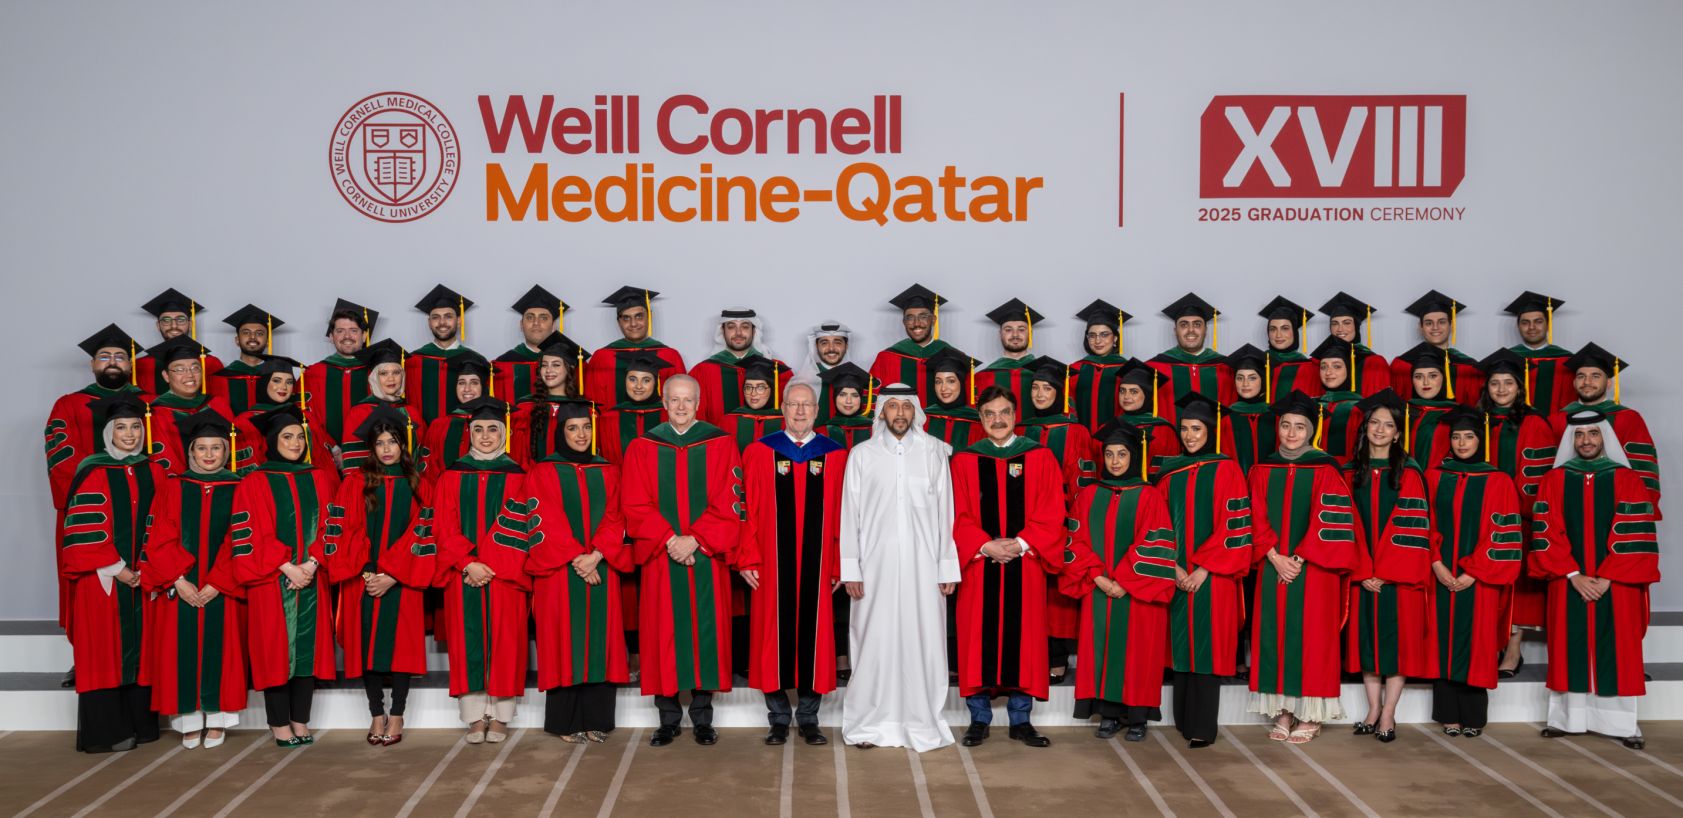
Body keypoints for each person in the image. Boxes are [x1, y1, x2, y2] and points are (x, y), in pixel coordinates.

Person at [621, 375, 743, 747]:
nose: (681, 406)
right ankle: (668, 718)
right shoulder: (643, 446)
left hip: (705, 557)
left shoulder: (721, 443)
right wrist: (671, 540)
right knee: (663, 634)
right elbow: (634, 502)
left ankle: (703, 718)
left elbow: (731, 500)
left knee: (706, 634)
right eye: (674, 400)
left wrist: (697, 540)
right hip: (662, 556)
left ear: (699, 401)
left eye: (687, 400)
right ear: (664, 403)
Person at [839, 383, 960, 752]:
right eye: (892, 406)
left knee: (924, 641)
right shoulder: (861, 455)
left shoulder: (936, 452)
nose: (900, 414)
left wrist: (947, 567)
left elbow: (946, 514)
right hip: (874, 566)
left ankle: (920, 721)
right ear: (881, 412)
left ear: (916, 411)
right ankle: (869, 723)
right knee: (873, 641)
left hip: (925, 568)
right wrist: (851, 568)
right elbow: (850, 515)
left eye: (906, 406)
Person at [1532, 410, 1659, 749]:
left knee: (1617, 648)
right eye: (1579, 435)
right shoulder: (1555, 479)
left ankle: (1621, 724)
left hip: (1616, 583)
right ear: (1571, 440)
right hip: (1568, 579)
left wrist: (1607, 576)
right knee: (1568, 645)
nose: (1586, 440)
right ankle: (1566, 720)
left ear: (1604, 437)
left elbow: (1636, 533)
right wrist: (1574, 574)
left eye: (1593, 433)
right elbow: (1547, 531)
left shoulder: (1627, 479)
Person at [952, 386, 1066, 748]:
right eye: (989, 414)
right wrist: (985, 545)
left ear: (1016, 416)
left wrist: (1019, 544)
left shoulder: (1040, 457)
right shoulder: (965, 460)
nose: (997, 420)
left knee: (1026, 639)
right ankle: (978, 719)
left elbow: (1052, 511)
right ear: (981, 418)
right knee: (976, 638)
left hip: (1026, 562)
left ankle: (1021, 720)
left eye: (1004, 413)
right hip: (980, 565)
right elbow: (956, 514)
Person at [1247, 390, 1361, 744]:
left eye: (1300, 426)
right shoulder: (1262, 468)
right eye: (1286, 425)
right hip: (1273, 566)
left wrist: (1299, 557)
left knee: (1312, 637)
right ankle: (1283, 710)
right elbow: (1254, 515)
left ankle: (1311, 713)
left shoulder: (1326, 467)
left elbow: (1333, 517)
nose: (1292, 433)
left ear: (1311, 430)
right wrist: (1273, 556)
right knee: (1276, 634)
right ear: (1277, 428)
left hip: (1314, 569)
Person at [739, 382, 848, 746]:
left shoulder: (835, 455)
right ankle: (778, 718)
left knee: (815, 639)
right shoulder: (759, 452)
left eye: (807, 406)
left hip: (818, 567)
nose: (800, 412)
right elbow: (746, 512)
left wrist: (837, 563)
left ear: (817, 411)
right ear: (782, 408)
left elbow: (843, 518)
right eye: (793, 405)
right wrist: (747, 557)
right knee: (772, 639)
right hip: (770, 566)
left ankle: (809, 718)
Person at [58, 393, 165, 752]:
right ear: (108, 432)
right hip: (102, 580)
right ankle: (107, 732)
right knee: (104, 650)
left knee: (142, 649)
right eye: (121, 427)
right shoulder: (92, 468)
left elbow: (165, 523)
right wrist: (119, 569)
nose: (131, 434)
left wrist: (148, 566)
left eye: (136, 426)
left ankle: (143, 726)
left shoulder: (154, 468)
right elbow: (83, 528)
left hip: (144, 578)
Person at [229, 403, 340, 748]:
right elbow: (251, 531)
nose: (294, 443)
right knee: (274, 651)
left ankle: (299, 719)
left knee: (308, 652)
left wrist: (311, 564)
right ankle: (278, 723)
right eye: (287, 437)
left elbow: (331, 525)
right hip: (271, 580)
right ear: (272, 441)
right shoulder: (254, 481)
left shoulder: (318, 477)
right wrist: (287, 565)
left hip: (311, 578)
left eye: (298, 437)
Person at [524, 398, 633, 743]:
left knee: (601, 641)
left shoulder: (608, 469)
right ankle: (564, 722)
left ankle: (597, 719)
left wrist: (597, 554)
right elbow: (545, 520)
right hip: (560, 572)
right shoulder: (543, 471)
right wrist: (578, 559)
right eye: (573, 428)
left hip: (600, 567)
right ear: (561, 432)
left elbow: (617, 516)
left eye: (586, 427)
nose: (581, 434)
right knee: (562, 641)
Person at [325, 404, 434, 748]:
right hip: (364, 578)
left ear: (404, 446)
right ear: (371, 448)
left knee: (401, 650)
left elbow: (425, 532)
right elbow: (345, 531)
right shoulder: (355, 482)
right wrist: (367, 571)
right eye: (380, 442)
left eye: (393, 441)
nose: (387, 448)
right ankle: (375, 712)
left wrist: (394, 573)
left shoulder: (419, 484)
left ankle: (398, 712)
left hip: (402, 581)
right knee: (366, 649)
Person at [1061, 420, 1177, 741]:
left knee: (1139, 651)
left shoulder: (1149, 496)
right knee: (1103, 649)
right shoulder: (1088, 495)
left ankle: (1137, 716)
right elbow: (1075, 539)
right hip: (1099, 589)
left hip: (1137, 592)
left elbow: (1155, 541)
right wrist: (1098, 577)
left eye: (1122, 454)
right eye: (1110, 454)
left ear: (1134, 456)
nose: (1114, 461)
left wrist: (1123, 581)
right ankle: (1109, 713)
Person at [142, 410, 246, 750]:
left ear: (226, 451)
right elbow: (159, 537)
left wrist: (217, 582)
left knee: (222, 650)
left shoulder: (239, 487)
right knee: (179, 651)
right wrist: (179, 580)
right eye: (201, 448)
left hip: (222, 589)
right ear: (190, 452)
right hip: (181, 588)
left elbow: (242, 538)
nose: (209, 454)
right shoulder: (173, 487)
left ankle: (217, 720)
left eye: (216, 448)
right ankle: (187, 720)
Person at [432, 396, 533, 745]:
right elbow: (443, 526)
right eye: (479, 429)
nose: (486, 436)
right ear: (469, 433)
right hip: (465, 574)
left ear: (503, 433)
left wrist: (491, 566)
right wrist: (467, 563)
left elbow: (524, 528)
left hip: (506, 575)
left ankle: (502, 715)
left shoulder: (519, 476)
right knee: (467, 639)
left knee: (507, 640)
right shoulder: (451, 475)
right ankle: (474, 715)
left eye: (493, 429)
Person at [1154, 392, 1252, 748]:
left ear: (1210, 431)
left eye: (1196, 429)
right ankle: (1183, 719)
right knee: (1181, 647)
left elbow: (1235, 525)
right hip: (1176, 574)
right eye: (1184, 429)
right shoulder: (1169, 473)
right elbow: (1157, 523)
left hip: (1214, 578)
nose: (1190, 435)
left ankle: (1203, 727)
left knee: (1208, 648)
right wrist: (1175, 566)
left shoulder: (1227, 468)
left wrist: (1202, 569)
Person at [47, 324, 146, 668]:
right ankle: (85, 656)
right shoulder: (70, 404)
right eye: (105, 357)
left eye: (120, 356)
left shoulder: (147, 405)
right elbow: (60, 456)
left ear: (130, 364)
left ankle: (143, 659)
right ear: (92, 365)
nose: (113, 362)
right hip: (90, 511)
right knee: (86, 586)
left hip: (142, 507)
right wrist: (96, 486)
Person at [1426, 407, 1524, 737]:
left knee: (1476, 643)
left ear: (1480, 440)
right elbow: (1425, 524)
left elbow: (1503, 533)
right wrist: (1437, 563)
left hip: (1479, 580)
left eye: (1469, 436)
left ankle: (1473, 716)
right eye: (1456, 436)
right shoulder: (1435, 476)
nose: (1462, 442)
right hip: (1439, 575)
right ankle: (1447, 714)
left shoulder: (1498, 480)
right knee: (1442, 642)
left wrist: (1473, 571)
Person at [1343, 389, 1434, 743]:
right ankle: (1371, 708)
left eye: (1388, 425)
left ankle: (1389, 713)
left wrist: (1385, 572)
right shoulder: (1350, 472)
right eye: (1374, 423)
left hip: (1397, 579)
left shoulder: (1410, 473)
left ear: (1398, 433)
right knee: (1368, 644)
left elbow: (1414, 528)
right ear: (1365, 428)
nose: (1380, 430)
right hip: (1363, 577)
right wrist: (1363, 571)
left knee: (1397, 647)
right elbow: (1344, 525)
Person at [1016, 356, 1097, 685]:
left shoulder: (1075, 431)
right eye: (1034, 388)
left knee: (1055, 593)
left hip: (1062, 519)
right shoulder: (1021, 429)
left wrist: (1072, 521)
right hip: (1023, 523)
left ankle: (1057, 656)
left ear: (1059, 392)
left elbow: (1083, 478)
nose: (1039, 394)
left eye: (1046, 388)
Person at [1478, 348, 1558, 676]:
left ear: (1519, 387)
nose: (1500, 390)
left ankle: (1513, 649)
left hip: (1518, 518)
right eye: (1495, 383)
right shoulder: (1477, 421)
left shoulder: (1534, 423)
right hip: (1481, 517)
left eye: (1507, 383)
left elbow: (1540, 476)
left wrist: (1519, 510)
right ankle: (1487, 645)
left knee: (1516, 586)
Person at [1553, 343, 1659, 510]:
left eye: (1595, 376)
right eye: (1581, 376)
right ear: (1574, 383)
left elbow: (1643, 467)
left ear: (1608, 383)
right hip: (1568, 504)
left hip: (1617, 503)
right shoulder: (1557, 419)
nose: (1587, 382)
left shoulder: (1628, 418)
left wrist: (1639, 508)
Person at [145, 336, 235, 476]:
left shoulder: (218, 405)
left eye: (195, 368)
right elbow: (162, 458)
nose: (190, 375)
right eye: (180, 369)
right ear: (166, 376)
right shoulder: (155, 412)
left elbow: (231, 450)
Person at [584, 286, 687, 406]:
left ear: (649, 317)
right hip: (611, 424)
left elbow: (681, 401)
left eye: (639, 316)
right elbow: (593, 404)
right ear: (619, 322)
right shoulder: (602, 357)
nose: (633, 323)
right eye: (626, 318)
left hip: (661, 424)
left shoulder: (669, 356)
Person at [688, 308, 792, 426]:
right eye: (731, 327)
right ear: (722, 331)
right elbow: (696, 420)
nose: (738, 333)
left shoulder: (776, 369)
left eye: (745, 326)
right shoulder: (703, 371)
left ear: (754, 331)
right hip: (719, 443)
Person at [230, 355, 333, 475]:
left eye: (289, 382)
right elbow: (247, 470)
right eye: (276, 380)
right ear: (264, 383)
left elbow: (323, 462)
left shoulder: (305, 417)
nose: (283, 387)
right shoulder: (245, 422)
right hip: (268, 488)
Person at [340, 339, 425, 472]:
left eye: (396, 373)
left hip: (408, 484)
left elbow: (419, 456)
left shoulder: (412, 412)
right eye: (383, 373)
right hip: (373, 486)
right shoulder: (359, 412)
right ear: (374, 378)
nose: (391, 379)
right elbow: (354, 461)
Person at [1148, 292, 1234, 424]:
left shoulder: (1226, 367)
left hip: (1217, 442)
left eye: (1197, 324)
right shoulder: (1155, 368)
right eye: (1183, 325)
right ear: (1175, 330)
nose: (1190, 330)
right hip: (1170, 442)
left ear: (1206, 330)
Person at [303, 298, 376, 446]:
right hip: (325, 453)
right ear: (331, 337)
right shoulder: (313, 373)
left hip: (371, 454)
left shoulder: (378, 372)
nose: (347, 336)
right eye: (340, 331)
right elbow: (304, 416)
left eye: (353, 331)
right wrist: (331, 447)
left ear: (364, 336)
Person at [1392, 290, 1483, 407]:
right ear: (1420, 327)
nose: (1435, 327)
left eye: (1442, 322)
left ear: (1451, 325)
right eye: (1429, 323)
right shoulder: (1402, 364)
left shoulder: (1467, 367)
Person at [510, 332, 588, 466]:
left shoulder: (584, 408)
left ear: (570, 368)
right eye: (544, 365)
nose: (548, 370)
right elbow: (519, 454)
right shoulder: (525, 407)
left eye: (556, 365)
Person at [405, 283, 481, 423]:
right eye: (435, 317)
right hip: (422, 439)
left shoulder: (476, 360)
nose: (442, 322)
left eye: (448, 316)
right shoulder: (413, 361)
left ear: (459, 321)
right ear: (429, 322)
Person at [870, 283, 954, 405]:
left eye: (923, 317)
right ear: (904, 322)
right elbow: (872, 402)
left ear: (934, 320)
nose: (916, 323)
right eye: (910, 318)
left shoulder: (951, 357)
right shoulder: (886, 358)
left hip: (940, 424)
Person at [133, 288, 224, 399]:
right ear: (158, 325)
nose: (174, 326)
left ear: (190, 324)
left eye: (180, 320)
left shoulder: (210, 363)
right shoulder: (142, 365)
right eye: (166, 320)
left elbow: (218, 401)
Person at [419, 351, 490, 489]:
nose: (467, 389)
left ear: (484, 386)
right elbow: (428, 472)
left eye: (474, 382)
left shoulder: (497, 425)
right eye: (461, 382)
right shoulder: (438, 426)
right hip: (444, 500)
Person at [597, 349, 672, 465]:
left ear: (655, 383)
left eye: (646, 380)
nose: (638, 386)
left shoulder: (668, 416)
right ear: (625, 381)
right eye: (632, 379)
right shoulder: (609, 419)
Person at [1505, 291, 1574, 415]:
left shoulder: (1567, 360)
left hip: (1557, 428)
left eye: (1538, 321)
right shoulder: (1507, 358)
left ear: (1548, 324)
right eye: (1525, 322)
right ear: (1518, 326)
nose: (1531, 327)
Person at [493, 285, 566, 403]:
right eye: (530, 317)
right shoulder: (503, 364)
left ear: (553, 326)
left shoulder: (571, 363)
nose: (536, 323)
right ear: (521, 325)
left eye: (543, 318)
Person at [1069, 299, 1133, 432]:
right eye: (1092, 335)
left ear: (1115, 338)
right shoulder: (1075, 370)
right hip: (1083, 441)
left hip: (1117, 440)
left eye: (1104, 335)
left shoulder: (1128, 370)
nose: (1098, 341)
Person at [213, 304, 285, 416]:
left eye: (259, 333)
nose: (252, 337)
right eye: (246, 333)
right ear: (237, 340)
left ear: (267, 341)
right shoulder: (221, 377)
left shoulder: (280, 376)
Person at [1114, 359, 1179, 479]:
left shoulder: (1164, 430)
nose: (1126, 396)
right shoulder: (1110, 427)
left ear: (1148, 395)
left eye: (1134, 392)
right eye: (1122, 391)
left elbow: (1170, 474)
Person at [971, 298, 1042, 405]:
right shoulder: (983, 376)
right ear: (1000, 334)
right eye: (1008, 330)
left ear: (1030, 333)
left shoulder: (1043, 372)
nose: (1015, 335)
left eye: (1021, 329)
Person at [1319, 292, 1391, 397]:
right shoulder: (1323, 360)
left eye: (1347, 323)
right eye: (1334, 324)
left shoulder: (1373, 362)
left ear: (1356, 326)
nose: (1340, 329)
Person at [1399, 342, 1458, 469]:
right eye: (1418, 376)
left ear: (1444, 378)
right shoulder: (1401, 412)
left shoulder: (1457, 415)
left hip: (1441, 483)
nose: (1425, 382)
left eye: (1433, 376)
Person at [1219, 343, 1274, 473]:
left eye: (1252, 378)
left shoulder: (1275, 416)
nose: (1245, 384)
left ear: (1263, 380)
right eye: (1240, 378)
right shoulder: (1225, 417)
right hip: (1235, 486)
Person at [1309, 336, 1365, 465]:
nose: (1328, 372)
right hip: (1315, 475)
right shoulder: (1311, 405)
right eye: (1323, 367)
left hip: (1349, 475)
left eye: (1337, 366)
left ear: (1349, 370)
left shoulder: (1361, 407)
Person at [1259, 296, 1322, 399]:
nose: (1278, 335)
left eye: (1285, 328)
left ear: (1294, 332)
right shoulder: (1259, 363)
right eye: (1273, 329)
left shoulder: (1309, 367)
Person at [721, 355, 787, 450]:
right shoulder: (728, 421)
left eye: (760, 387)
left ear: (772, 390)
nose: (753, 393)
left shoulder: (786, 422)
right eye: (748, 387)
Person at [923, 347, 985, 447]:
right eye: (938, 382)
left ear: (961, 382)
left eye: (951, 381)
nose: (943, 388)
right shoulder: (923, 418)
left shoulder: (978, 422)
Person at [795, 321, 854, 423]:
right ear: (816, 346)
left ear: (846, 346)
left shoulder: (858, 379)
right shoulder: (802, 381)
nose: (831, 348)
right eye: (824, 343)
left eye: (838, 342)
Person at [816, 363, 875, 450]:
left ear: (861, 399)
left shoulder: (874, 431)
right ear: (834, 397)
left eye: (855, 395)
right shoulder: (821, 432)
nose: (848, 401)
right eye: (842, 395)